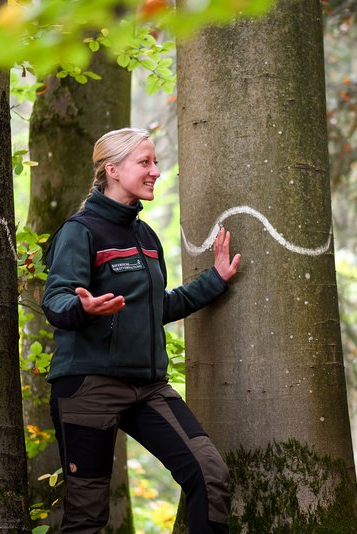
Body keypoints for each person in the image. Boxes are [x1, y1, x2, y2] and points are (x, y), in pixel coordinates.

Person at [42, 128, 241, 533]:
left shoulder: (145, 236)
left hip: (148, 388)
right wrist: (83, 307)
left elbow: (156, 308)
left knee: (210, 474)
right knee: (87, 517)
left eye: (155, 162)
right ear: (112, 170)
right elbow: (56, 300)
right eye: (145, 162)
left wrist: (215, 280)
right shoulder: (80, 231)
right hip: (88, 387)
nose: (156, 171)